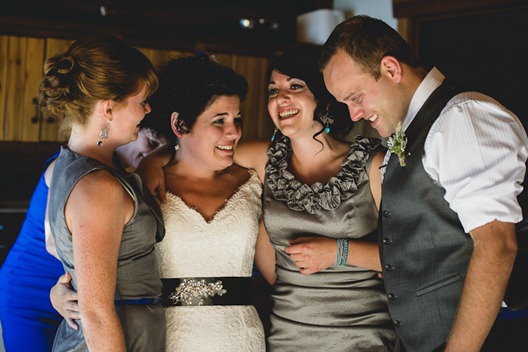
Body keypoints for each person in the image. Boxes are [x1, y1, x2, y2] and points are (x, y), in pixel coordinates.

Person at [137, 48, 397, 350]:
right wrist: (152, 161)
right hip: (287, 332)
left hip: (362, 332)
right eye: (273, 90)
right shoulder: (266, 159)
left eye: (295, 86)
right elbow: (195, 150)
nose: (281, 98)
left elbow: (414, 256)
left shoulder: (371, 164)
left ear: (324, 96)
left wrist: (339, 252)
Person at [319, 15, 528, 352]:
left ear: (390, 69)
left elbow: (496, 245)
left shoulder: (461, 118)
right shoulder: (410, 131)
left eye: (355, 97)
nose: (354, 114)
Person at [40, 34, 166, 351]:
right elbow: (96, 313)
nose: (148, 110)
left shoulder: (63, 166)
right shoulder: (98, 186)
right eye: (141, 101)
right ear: (108, 109)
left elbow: (56, 246)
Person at [0, 126, 166, 352]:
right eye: (152, 143)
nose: (149, 153)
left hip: (79, 290)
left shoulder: (122, 173)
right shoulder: (67, 166)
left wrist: (157, 158)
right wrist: (56, 293)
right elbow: (54, 244)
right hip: (33, 287)